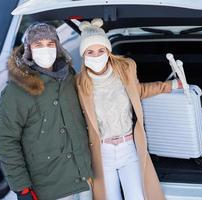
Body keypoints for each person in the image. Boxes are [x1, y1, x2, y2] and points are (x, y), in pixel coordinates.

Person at [76, 18, 182, 200]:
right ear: (83, 55)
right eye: (90, 52)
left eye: (101, 50)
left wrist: (170, 86)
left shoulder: (125, 69)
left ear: (108, 51)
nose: (96, 56)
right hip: (103, 153)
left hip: (129, 147)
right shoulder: (78, 83)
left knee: (139, 197)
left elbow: (139, 91)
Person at [0, 23, 93, 200]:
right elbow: (6, 141)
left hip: (83, 177)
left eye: (50, 44)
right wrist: (22, 188)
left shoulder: (68, 76)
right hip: (50, 186)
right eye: (38, 45)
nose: (45, 50)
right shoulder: (17, 91)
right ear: (28, 50)